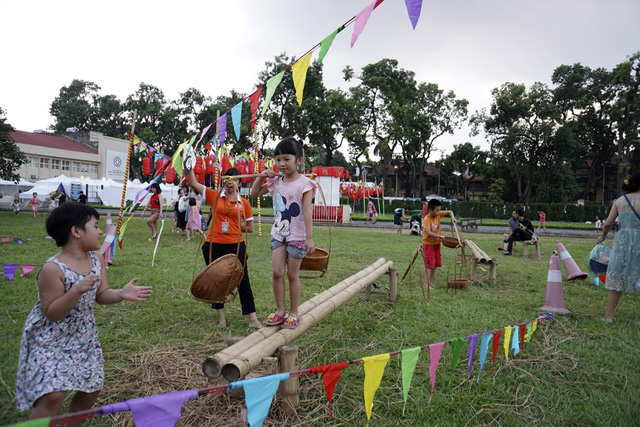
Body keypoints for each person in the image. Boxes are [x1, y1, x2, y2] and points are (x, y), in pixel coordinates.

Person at [15, 202, 151, 420]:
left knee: (90, 390)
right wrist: (76, 291)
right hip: (50, 339)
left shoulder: (96, 259)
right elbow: (51, 312)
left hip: (83, 337)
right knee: (53, 396)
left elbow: (101, 294)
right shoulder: (53, 268)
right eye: (95, 226)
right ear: (76, 231)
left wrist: (120, 293)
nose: (100, 231)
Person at [250, 137, 317, 329]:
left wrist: (309, 238)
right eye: (278, 159)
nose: (281, 164)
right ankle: (280, 311)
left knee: (292, 275)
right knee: (277, 272)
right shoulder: (275, 181)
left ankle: (294, 313)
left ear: (299, 160)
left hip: (297, 236)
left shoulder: (305, 184)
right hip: (279, 233)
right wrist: (262, 176)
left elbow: (306, 211)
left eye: (286, 159)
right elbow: (254, 194)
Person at [188, 166, 261, 328]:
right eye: (227, 178)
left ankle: (253, 319)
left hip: (236, 246)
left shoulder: (245, 203)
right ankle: (221, 318)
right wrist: (189, 166)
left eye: (234, 179)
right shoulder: (214, 196)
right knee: (216, 281)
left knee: (243, 281)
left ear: (239, 183)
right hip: (213, 245)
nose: (230, 181)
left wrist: (233, 228)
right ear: (223, 181)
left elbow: (250, 228)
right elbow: (193, 182)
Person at [596, 170, 640, 323]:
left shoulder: (620, 201)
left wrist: (603, 236)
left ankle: (608, 316)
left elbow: (608, 223)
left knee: (617, 278)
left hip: (622, 241)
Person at [422, 199, 456, 288]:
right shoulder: (426, 219)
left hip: (437, 244)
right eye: (437, 210)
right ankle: (426, 284)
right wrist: (440, 236)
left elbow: (449, 212)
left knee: (435, 264)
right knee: (429, 265)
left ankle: (430, 282)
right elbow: (428, 232)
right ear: (430, 210)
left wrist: (453, 218)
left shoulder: (438, 215)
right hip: (429, 244)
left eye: (439, 210)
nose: (438, 212)